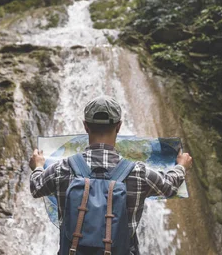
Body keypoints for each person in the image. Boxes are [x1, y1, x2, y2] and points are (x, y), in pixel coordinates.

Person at [29, 95, 193, 255]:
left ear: (86, 126)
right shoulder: (138, 172)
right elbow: (170, 185)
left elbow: (36, 187)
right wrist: (181, 167)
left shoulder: (62, 168)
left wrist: (37, 166)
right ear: (119, 126)